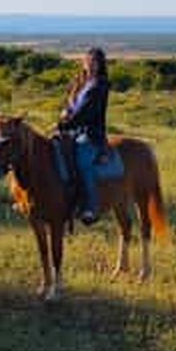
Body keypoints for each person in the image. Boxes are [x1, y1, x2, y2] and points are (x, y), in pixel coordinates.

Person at [59, 46, 110, 225]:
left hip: (90, 134)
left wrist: (64, 124)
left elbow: (85, 113)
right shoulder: (81, 82)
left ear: (100, 64)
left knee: (82, 162)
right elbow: (71, 105)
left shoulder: (100, 85)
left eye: (95, 61)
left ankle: (91, 207)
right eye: (88, 61)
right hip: (73, 131)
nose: (90, 64)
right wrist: (66, 111)